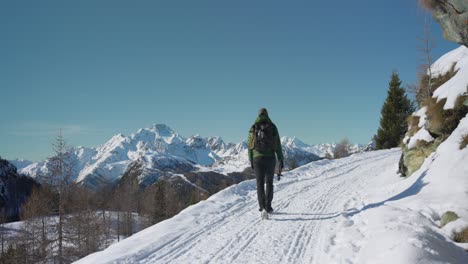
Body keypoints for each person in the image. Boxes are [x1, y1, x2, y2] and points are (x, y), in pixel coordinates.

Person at [248, 108, 284, 214]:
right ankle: (268, 207)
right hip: (270, 158)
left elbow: (249, 145)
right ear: (267, 114)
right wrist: (280, 159)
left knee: (259, 184)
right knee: (269, 182)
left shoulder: (253, 127)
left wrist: (251, 158)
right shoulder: (272, 127)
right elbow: (278, 145)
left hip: (257, 159)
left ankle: (262, 207)